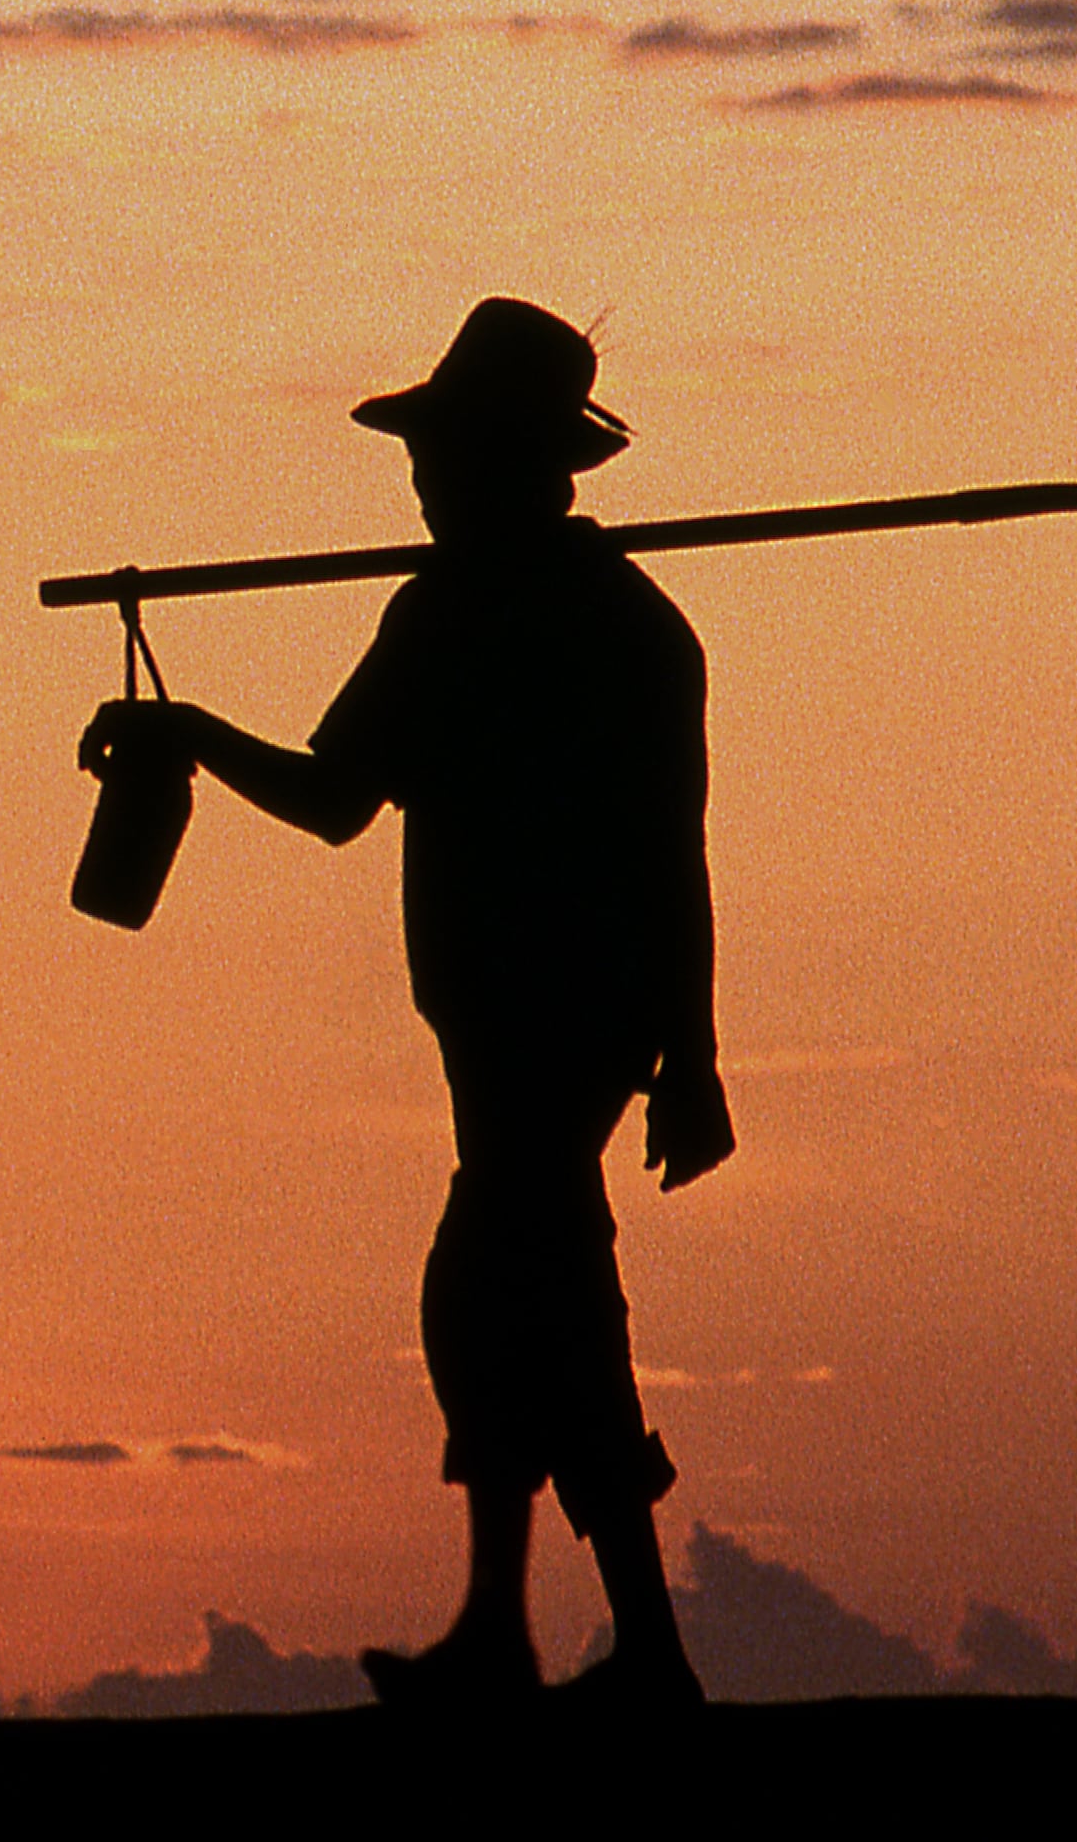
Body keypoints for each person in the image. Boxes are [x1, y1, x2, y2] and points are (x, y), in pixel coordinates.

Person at [81, 297, 730, 1710]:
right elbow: (674, 857)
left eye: (449, 455)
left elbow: (332, 802)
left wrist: (187, 733)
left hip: (540, 1013)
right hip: (571, 1019)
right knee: (518, 1294)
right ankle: (520, 1633)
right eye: (428, 457)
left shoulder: (473, 619)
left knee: (518, 1293)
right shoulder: (631, 622)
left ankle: (626, 1654)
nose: (426, 482)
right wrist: (689, 1056)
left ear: (521, 466)